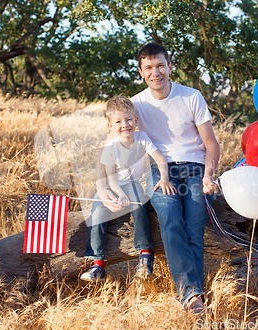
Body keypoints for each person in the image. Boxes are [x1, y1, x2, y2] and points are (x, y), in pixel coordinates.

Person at [100, 43, 220, 314]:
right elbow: (109, 147)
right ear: (142, 72)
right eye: (149, 68)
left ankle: (191, 293)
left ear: (169, 66)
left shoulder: (191, 96)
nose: (156, 72)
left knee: (194, 226)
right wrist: (103, 185)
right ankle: (192, 295)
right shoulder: (137, 104)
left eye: (160, 66)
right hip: (161, 170)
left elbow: (211, 143)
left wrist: (209, 176)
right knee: (169, 217)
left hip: (195, 168)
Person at [81, 95, 176, 282]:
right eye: (118, 121)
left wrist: (164, 177)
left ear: (136, 120)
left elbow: (159, 158)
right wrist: (118, 195)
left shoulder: (142, 138)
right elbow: (110, 179)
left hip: (131, 184)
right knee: (97, 215)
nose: (125, 125)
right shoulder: (111, 147)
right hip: (111, 187)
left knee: (139, 204)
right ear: (110, 126)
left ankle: (145, 253)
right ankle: (97, 264)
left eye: (129, 119)